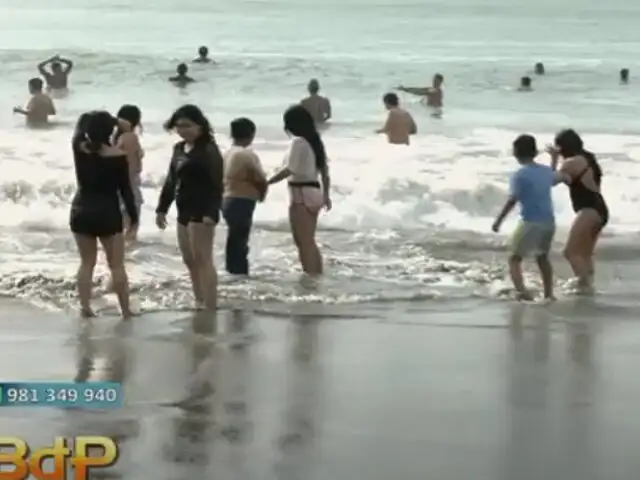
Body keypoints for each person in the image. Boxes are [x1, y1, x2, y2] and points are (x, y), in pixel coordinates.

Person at [70, 111, 138, 319]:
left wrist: (98, 122)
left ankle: (85, 308)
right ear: (111, 130)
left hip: (81, 210)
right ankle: (125, 311)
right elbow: (125, 190)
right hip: (107, 212)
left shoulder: (80, 149)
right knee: (116, 265)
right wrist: (133, 218)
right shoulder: (118, 156)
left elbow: (79, 127)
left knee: (86, 263)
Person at [156, 105, 224, 310]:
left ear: (200, 126)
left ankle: (210, 304)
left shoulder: (209, 150)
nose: (182, 130)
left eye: (187, 126)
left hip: (202, 210)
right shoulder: (178, 149)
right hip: (182, 209)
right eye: (178, 126)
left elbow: (217, 184)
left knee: (203, 259)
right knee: (189, 260)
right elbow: (171, 180)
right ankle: (199, 300)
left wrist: (212, 213)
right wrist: (162, 208)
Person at [492, 135, 569, 301]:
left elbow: (513, 200)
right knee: (542, 257)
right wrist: (555, 159)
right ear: (534, 152)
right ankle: (549, 294)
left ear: (516, 153)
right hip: (549, 223)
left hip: (530, 222)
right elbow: (553, 179)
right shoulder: (544, 171)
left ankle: (522, 292)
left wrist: (498, 221)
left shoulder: (520, 175)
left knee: (514, 258)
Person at [267, 105, 331, 275]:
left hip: (300, 193)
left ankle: (311, 275)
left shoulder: (298, 142)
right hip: (314, 191)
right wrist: (326, 196)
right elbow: (325, 171)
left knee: (303, 242)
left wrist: (267, 182)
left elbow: (289, 169)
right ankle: (316, 273)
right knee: (309, 241)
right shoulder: (314, 141)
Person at [547, 129, 608, 294]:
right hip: (600, 210)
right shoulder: (589, 157)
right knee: (584, 254)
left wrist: (553, 159)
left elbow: (550, 181)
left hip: (589, 209)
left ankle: (584, 288)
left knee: (570, 252)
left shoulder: (571, 163)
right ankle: (588, 286)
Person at [222, 117, 267, 275]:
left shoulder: (227, 154)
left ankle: (232, 272)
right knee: (240, 242)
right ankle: (239, 274)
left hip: (227, 199)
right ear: (251, 134)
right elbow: (260, 178)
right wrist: (262, 194)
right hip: (241, 200)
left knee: (233, 240)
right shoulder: (246, 154)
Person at [114, 105, 144, 242]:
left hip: (114, 188)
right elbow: (132, 168)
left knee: (117, 231)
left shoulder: (114, 138)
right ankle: (128, 260)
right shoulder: (130, 137)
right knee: (131, 230)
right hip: (128, 187)